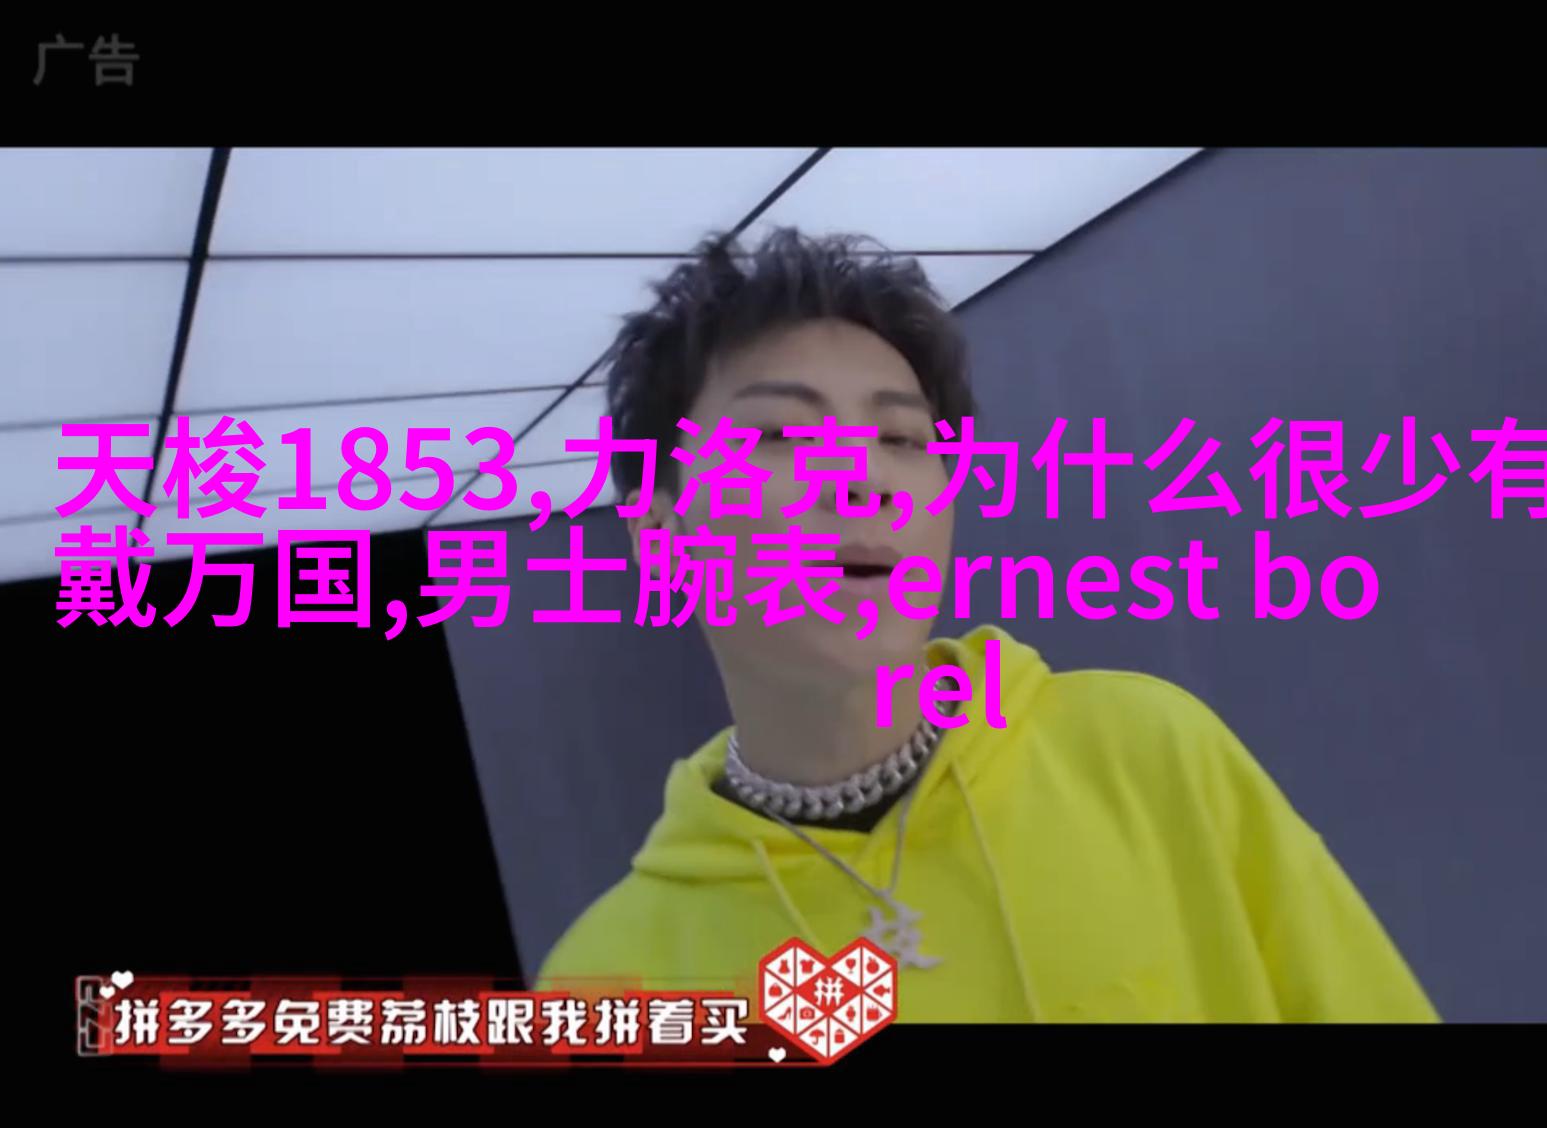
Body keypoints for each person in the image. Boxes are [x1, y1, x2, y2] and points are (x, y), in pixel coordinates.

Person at [535, 227, 1438, 1022]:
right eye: (780, 435)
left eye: (902, 439)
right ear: (659, 527)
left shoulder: (1147, 752)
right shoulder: (610, 983)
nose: (861, 479)